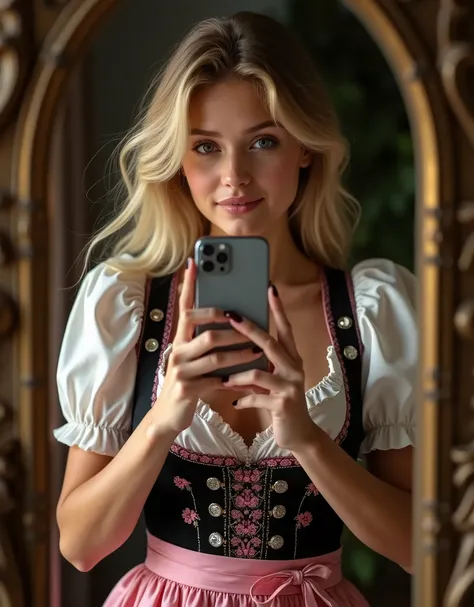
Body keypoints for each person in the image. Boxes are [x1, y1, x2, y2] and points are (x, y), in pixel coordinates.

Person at [54, 11, 416, 607]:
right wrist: (164, 416)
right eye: (205, 147)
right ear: (177, 159)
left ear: (305, 147)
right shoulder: (125, 304)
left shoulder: (371, 311)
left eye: (263, 141)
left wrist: (307, 438)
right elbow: (82, 545)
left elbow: (414, 544)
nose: (234, 177)